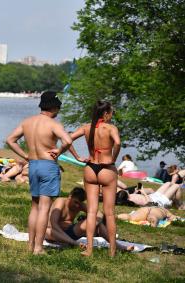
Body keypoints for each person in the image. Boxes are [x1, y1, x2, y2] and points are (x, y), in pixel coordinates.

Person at [6, 91, 72, 255]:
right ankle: (38, 248)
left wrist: (26, 155)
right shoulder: (53, 124)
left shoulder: (27, 122)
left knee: (35, 207)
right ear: (54, 107)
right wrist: (58, 151)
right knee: (44, 208)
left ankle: (30, 245)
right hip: (48, 166)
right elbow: (68, 141)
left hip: (33, 165)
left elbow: (10, 140)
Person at [68, 100, 120, 257]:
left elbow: (68, 139)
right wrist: (113, 159)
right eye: (111, 112)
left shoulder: (86, 127)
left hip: (90, 168)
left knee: (91, 211)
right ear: (105, 114)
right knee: (109, 213)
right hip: (106, 169)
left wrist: (77, 156)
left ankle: (89, 249)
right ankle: (112, 251)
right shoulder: (111, 128)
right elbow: (117, 143)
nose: (112, 115)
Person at [45, 187, 133, 251]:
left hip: (70, 232)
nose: (77, 206)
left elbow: (98, 213)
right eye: (75, 202)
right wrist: (71, 241)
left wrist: (96, 223)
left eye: (79, 203)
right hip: (53, 233)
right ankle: (74, 244)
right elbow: (54, 224)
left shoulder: (80, 205)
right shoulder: (60, 202)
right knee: (49, 230)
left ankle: (117, 246)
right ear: (70, 196)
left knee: (97, 223)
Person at [116, 182, 183, 209]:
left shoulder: (130, 196)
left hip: (154, 196)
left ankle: (175, 202)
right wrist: (143, 192)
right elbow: (149, 203)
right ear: (126, 195)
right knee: (176, 186)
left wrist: (138, 190)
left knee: (168, 183)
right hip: (158, 201)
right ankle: (179, 205)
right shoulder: (133, 200)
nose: (127, 190)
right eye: (126, 191)